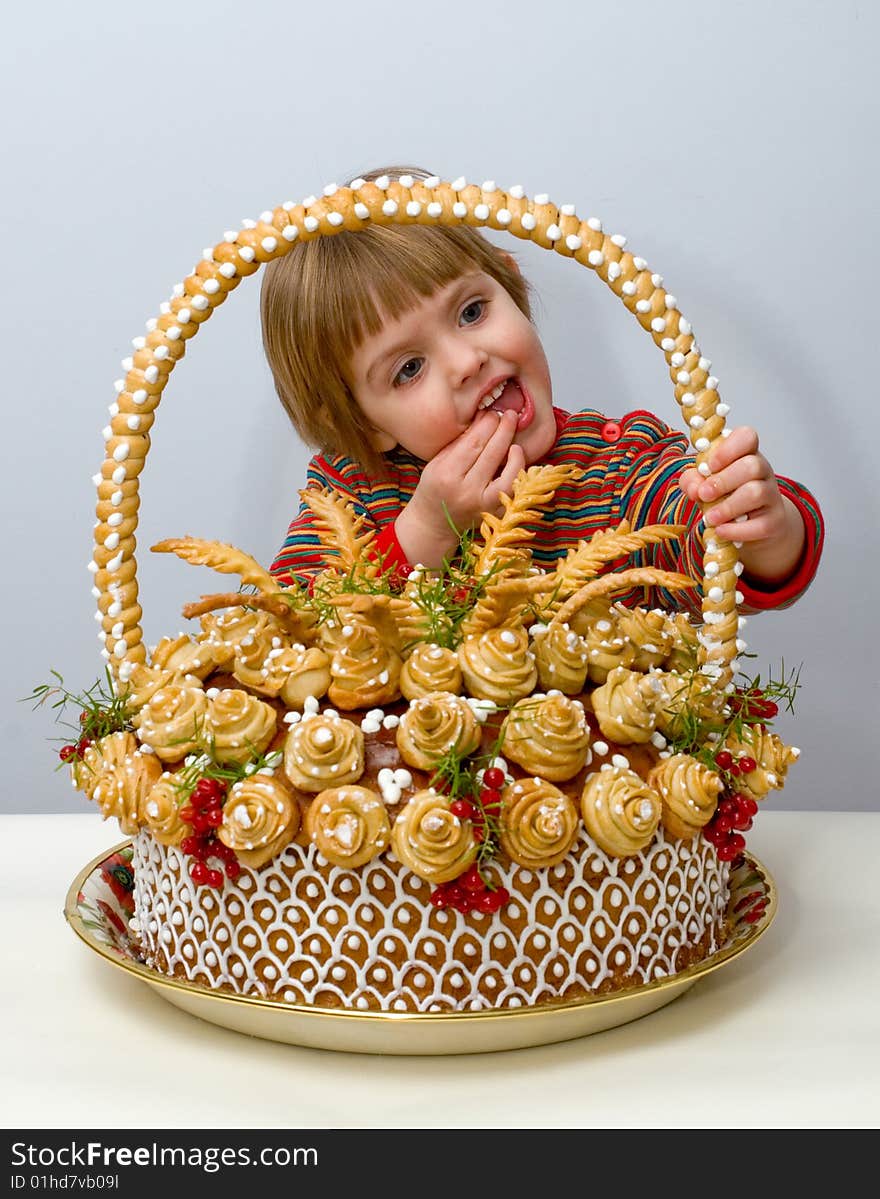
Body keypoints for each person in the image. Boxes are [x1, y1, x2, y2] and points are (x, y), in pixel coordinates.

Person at [263, 166, 823, 617]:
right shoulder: (352, 497)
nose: (466, 360)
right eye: (409, 368)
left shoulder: (617, 467)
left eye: (471, 311)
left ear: (512, 287)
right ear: (364, 425)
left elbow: (696, 537)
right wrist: (424, 534)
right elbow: (288, 625)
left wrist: (763, 533)